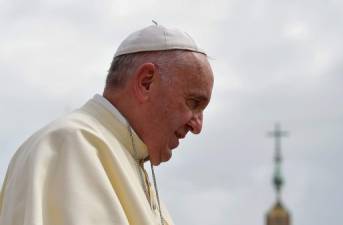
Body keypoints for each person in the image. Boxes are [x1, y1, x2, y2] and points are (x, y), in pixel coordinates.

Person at [0, 23, 214, 225]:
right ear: (146, 82)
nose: (197, 126)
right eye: (193, 103)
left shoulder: (127, 160)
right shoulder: (70, 146)